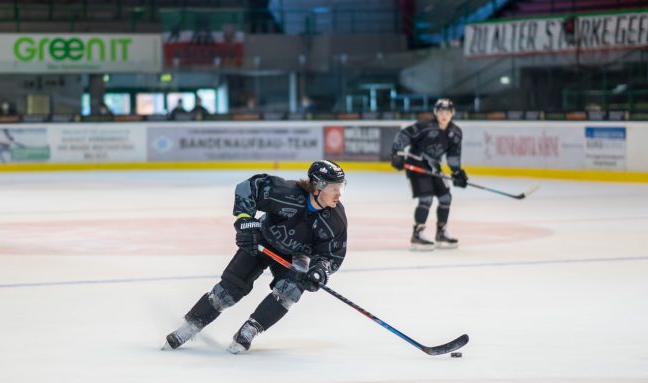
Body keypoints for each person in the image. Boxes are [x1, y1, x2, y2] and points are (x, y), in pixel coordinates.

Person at [164, 160, 348, 354]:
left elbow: (331, 254)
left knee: (290, 291)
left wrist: (319, 270)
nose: (339, 193)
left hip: (296, 255)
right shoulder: (286, 192)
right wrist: (245, 220)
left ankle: (251, 329)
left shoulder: (335, 220)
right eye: (333, 187)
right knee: (228, 290)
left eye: (342, 187)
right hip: (262, 240)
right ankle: (190, 326)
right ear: (317, 187)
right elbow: (249, 187)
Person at [390, 98, 467, 250]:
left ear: (452, 113)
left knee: (446, 197)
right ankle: (417, 234)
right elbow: (403, 135)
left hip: (433, 166)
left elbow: (453, 154)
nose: (444, 115)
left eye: (447, 112)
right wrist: (398, 153)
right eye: (441, 112)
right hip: (416, 164)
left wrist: (457, 171)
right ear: (435, 113)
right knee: (426, 198)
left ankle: (441, 232)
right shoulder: (424, 127)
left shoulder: (455, 133)